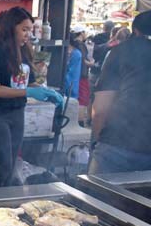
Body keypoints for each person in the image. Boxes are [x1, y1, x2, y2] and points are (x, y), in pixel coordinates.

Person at [0, 7, 62, 187]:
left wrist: (46, 92)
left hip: (17, 112)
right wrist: (29, 92)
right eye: (24, 29)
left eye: (30, 30)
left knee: (10, 167)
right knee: (4, 166)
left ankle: (4, 206)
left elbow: (27, 83)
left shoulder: (24, 51)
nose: (28, 35)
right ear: (11, 28)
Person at [89, 10, 151, 174]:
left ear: (135, 31)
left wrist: (97, 140)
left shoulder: (122, 52)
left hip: (117, 147)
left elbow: (101, 109)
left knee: (97, 199)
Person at [63, 32, 83, 98]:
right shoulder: (76, 52)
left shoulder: (76, 54)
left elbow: (71, 74)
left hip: (70, 87)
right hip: (71, 87)